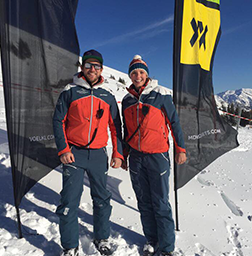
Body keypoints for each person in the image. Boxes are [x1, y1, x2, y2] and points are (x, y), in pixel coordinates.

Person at [53, 49, 123, 256]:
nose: (92, 69)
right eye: (89, 65)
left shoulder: (107, 95)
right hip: (74, 154)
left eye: (97, 66)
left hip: (99, 155)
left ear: (102, 69)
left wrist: (118, 153)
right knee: (69, 201)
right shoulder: (70, 91)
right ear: (82, 67)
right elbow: (58, 121)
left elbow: (115, 126)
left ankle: (102, 238)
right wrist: (63, 149)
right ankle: (70, 246)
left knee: (102, 198)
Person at [121, 55, 187, 256]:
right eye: (134, 73)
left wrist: (180, 149)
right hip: (136, 158)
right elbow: (126, 129)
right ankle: (151, 239)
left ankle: (166, 248)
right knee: (143, 201)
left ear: (146, 74)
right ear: (130, 75)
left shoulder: (160, 95)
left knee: (160, 202)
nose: (138, 76)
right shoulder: (126, 100)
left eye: (141, 72)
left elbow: (174, 123)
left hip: (158, 156)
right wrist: (124, 154)